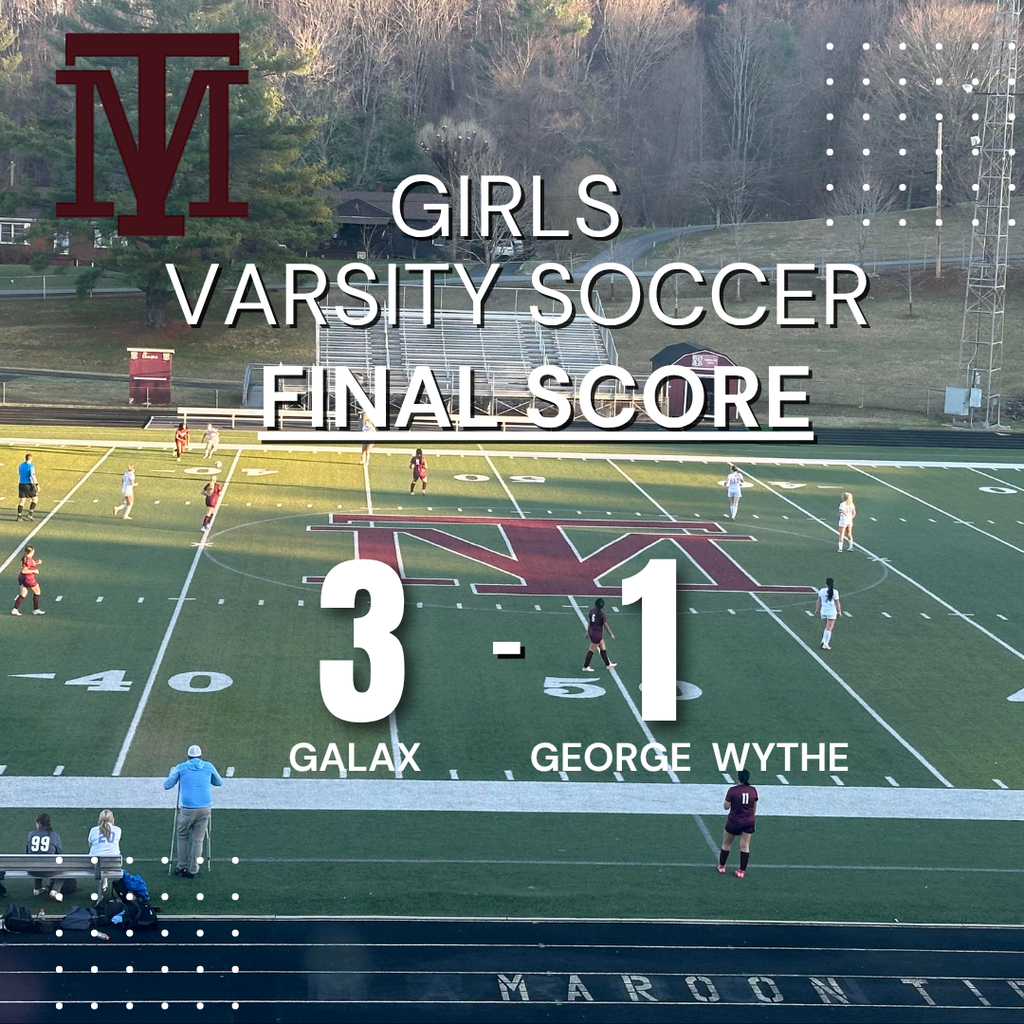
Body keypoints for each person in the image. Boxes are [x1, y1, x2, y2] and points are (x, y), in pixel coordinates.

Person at [164, 745, 223, 878]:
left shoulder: (181, 767)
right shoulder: (208, 766)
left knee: (182, 836)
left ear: (188, 756)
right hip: (204, 808)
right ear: (201, 756)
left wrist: (174, 775)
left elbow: (167, 785)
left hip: (187, 809)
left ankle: (182, 867)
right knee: (198, 839)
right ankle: (193, 870)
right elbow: (218, 782)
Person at [718, 768, 758, 878]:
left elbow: (726, 807)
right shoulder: (753, 790)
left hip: (734, 821)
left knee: (726, 843)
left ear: (738, 778)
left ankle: (722, 866)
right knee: (745, 846)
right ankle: (741, 871)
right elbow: (754, 808)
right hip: (748, 821)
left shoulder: (733, 790)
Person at [28, 813, 67, 901]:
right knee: (65, 868)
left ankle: (37, 888)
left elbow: (28, 853)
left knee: (35, 861)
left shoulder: (31, 834)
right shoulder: (54, 835)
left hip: (32, 870)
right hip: (49, 870)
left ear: (39, 823)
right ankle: (55, 890)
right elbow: (60, 854)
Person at [88, 810, 122, 893]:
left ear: (99, 819)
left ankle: (104, 883)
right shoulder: (117, 830)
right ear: (112, 819)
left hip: (93, 864)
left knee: (100, 856)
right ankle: (105, 882)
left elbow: (90, 845)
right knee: (106, 856)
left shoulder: (93, 830)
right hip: (113, 864)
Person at [582, 597, 616, 672]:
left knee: (603, 647)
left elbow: (589, 623)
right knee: (592, 650)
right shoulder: (602, 614)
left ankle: (607, 664)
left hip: (592, 632)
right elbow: (605, 625)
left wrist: (588, 632)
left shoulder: (591, 611)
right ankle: (585, 666)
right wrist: (611, 634)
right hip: (596, 634)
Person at [11, 545, 44, 616]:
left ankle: (15, 609)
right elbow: (24, 570)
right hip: (28, 578)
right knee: (37, 592)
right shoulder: (28, 559)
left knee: (23, 594)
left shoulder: (25, 558)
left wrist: (36, 563)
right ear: (31, 551)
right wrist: (34, 571)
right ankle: (35, 609)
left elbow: (28, 565)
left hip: (21, 578)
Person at [815, 576, 841, 651]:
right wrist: (839, 612)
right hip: (831, 612)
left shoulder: (822, 591)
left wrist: (817, 609)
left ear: (826, 583)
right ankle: (825, 644)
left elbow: (818, 601)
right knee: (829, 628)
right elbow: (837, 603)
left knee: (827, 627)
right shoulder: (835, 592)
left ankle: (823, 641)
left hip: (823, 612)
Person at [16, 453, 39, 522]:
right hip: (28, 484)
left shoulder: (21, 465)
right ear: (31, 459)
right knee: (35, 499)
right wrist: (37, 485)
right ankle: (30, 514)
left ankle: (19, 516)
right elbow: (32, 475)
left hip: (21, 484)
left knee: (22, 500)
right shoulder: (31, 466)